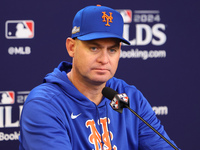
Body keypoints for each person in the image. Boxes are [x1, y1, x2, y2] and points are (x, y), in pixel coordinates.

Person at [19, 5, 180, 150]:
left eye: (112, 50)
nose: (104, 59)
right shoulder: (45, 104)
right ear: (71, 47)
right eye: (94, 48)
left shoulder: (130, 97)